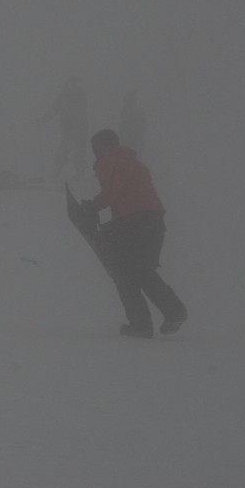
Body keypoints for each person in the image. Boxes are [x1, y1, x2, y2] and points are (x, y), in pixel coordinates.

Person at [84, 129, 187, 338]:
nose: (94, 152)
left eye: (95, 147)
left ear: (101, 146)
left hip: (132, 223)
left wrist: (92, 207)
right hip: (154, 222)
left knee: (123, 273)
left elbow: (115, 190)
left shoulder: (109, 160)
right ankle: (174, 311)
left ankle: (141, 325)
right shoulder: (134, 163)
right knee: (143, 271)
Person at [36, 76, 89, 181]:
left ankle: (79, 174)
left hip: (78, 128)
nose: (72, 85)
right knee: (64, 150)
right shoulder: (65, 96)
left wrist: (44, 119)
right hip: (69, 128)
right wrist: (43, 119)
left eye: (74, 82)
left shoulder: (79, 95)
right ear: (67, 84)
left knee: (78, 152)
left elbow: (81, 112)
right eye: (70, 83)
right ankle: (57, 173)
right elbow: (54, 109)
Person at [118, 90, 147, 155]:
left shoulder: (139, 113)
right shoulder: (124, 113)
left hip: (134, 144)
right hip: (127, 143)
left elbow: (142, 127)